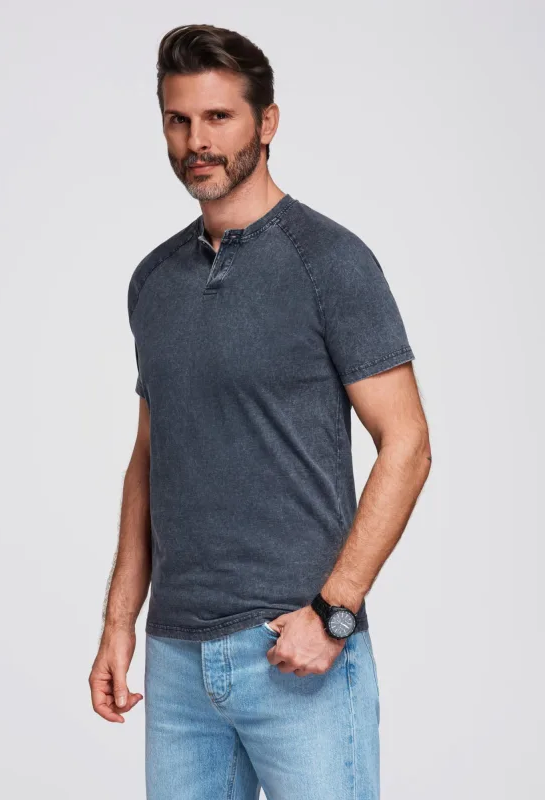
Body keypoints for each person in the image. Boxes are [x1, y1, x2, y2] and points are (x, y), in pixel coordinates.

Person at [89, 23, 431, 800]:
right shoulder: (154, 281)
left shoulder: (330, 262)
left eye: (219, 117)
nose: (197, 142)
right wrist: (118, 624)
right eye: (179, 120)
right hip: (176, 662)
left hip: (297, 655)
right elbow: (150, 457)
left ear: (266, 122)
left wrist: (334, 614)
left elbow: (408, 443)